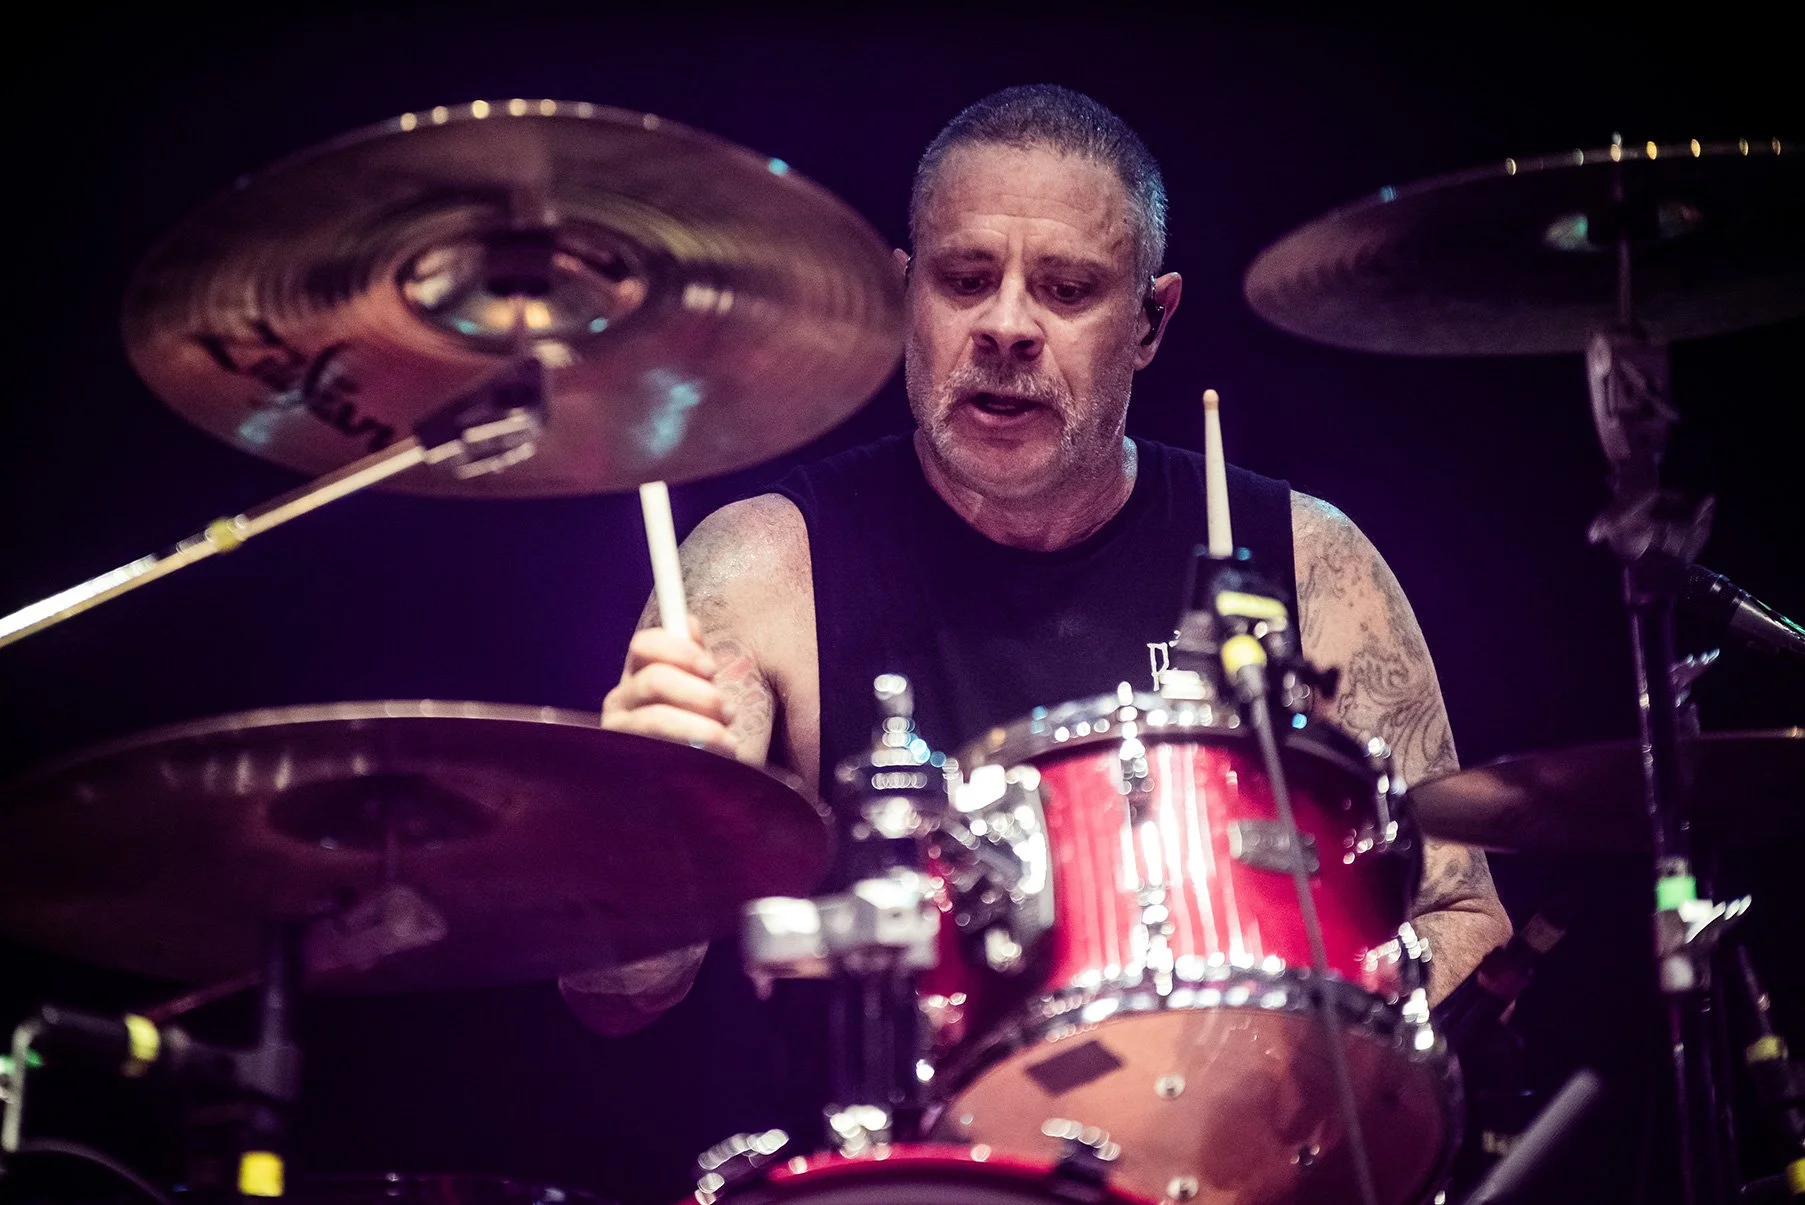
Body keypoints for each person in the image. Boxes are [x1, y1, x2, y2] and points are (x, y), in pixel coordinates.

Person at [568, 84, 1510, 1042]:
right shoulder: (761, 569)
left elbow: (1461, 915)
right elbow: (620, 993)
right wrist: (636, 828)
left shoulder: (1303, 559)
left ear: (1149, 322)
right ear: (905, 295)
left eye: (1066, 290)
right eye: (965, 279)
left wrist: (1288, 1082)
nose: (1006, 326)